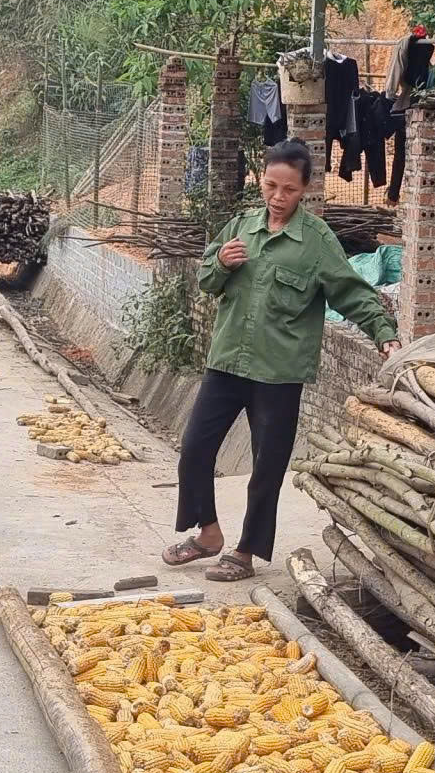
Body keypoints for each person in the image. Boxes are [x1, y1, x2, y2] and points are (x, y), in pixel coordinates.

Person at [163, 141, 400, 581]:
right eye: (270, 185)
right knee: (194, 449)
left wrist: (384, 335)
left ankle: (245, 553)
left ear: (305, 190)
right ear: (261, 181)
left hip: (279, 372)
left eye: (288, 189)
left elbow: (351, 292)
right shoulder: (241, 227)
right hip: (227, 362)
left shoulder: (316, 242)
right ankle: (208, 533)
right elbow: (206, 280)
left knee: (266, 467)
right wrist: (219, 261)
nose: (277, 196)